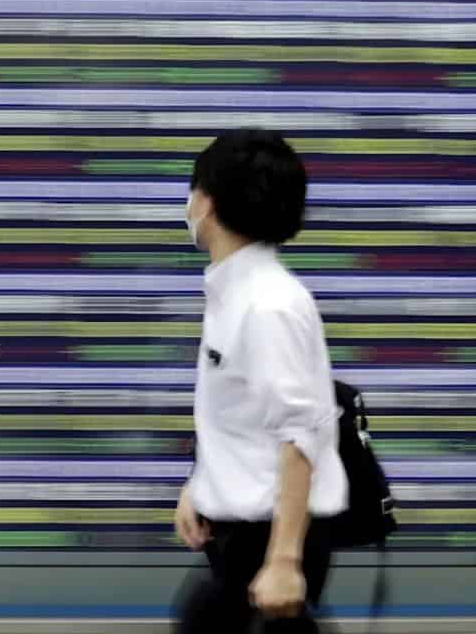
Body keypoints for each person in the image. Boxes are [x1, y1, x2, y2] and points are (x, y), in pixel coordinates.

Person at [172, 129, 348, 634]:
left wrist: (284, 562)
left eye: (193, 191)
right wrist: (201, 486)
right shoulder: (236, 293)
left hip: (269, 539)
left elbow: (300, 432)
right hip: (239, 537)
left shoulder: (268, 305)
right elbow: (243, 415)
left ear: (207, 203)